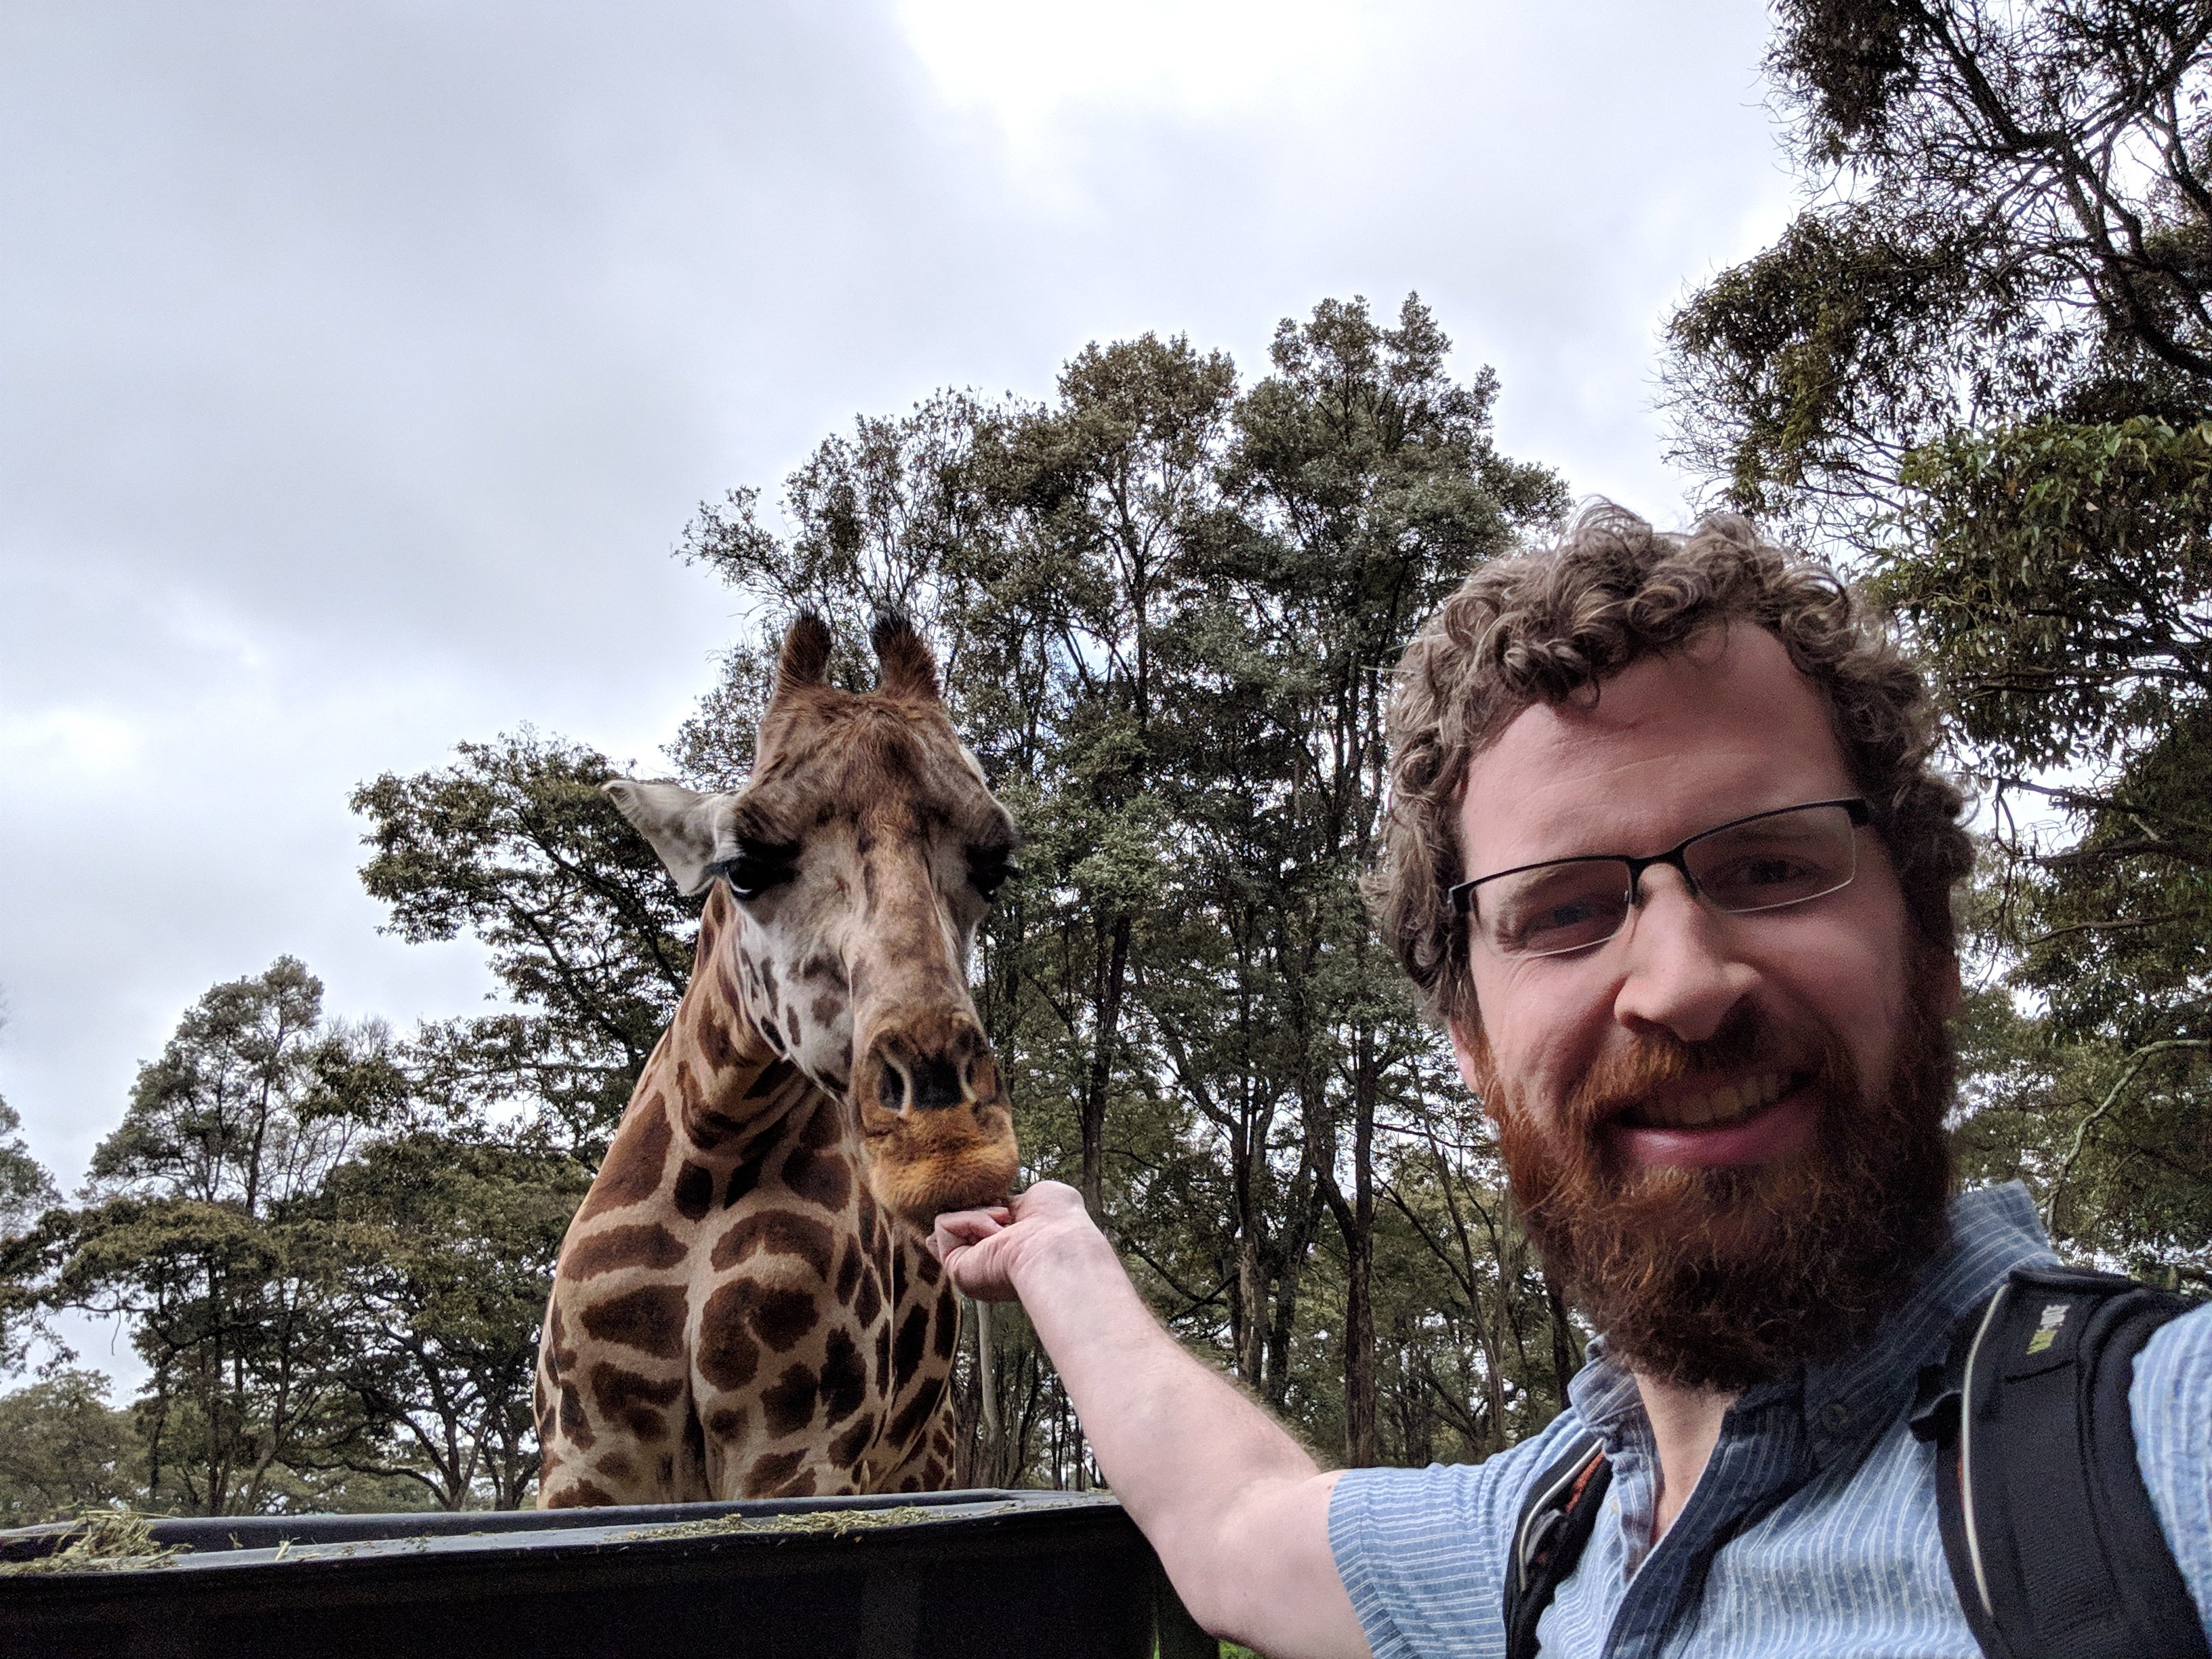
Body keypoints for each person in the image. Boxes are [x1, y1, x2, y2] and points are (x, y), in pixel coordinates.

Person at [930, 504, 2212, 1659]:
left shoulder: (2159, 1453)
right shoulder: (1543, 1540)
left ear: (1927, 944)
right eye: (1566, 911)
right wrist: (1059, 1256)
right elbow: (1233, 1529)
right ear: (1476, 1048)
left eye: (1769, 866)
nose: (1682, 982)